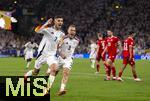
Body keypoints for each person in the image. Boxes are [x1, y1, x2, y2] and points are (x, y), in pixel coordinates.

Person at [25, 16, 65, 94]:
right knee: (35, 72)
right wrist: (46, 23)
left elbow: (59, 43)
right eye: (58, 21)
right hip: (42, 54)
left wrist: (60, 48)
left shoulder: (62, 34)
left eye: (61, 21)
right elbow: (37, 30)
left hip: (52, 55)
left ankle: (47, 89)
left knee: (54, 69)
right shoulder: (48, 30)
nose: (60, 22)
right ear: (54, 22)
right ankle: (26, 76)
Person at [47, 24, 79, 96]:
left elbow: (73, 49)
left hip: (68, 60)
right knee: (53, 72)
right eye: (71, 30)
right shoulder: (63, 38)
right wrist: (61, 54)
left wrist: (70, 56)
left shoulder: (77, 40)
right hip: (60, 59)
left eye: (74, 30)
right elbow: (56, 49)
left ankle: (62, 89)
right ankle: (47, 88)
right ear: (68, 31)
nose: (73, 32)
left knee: (66, 73)